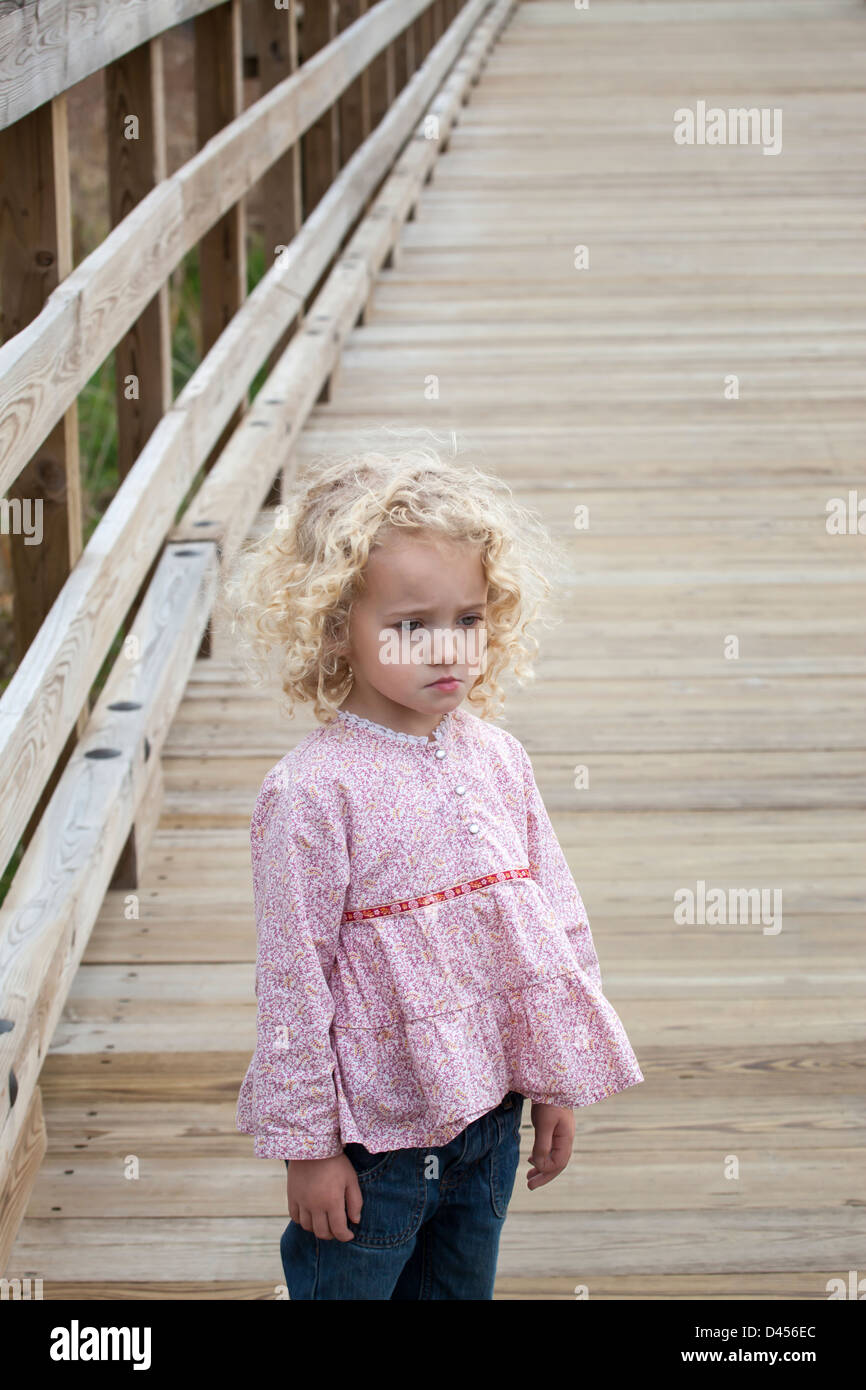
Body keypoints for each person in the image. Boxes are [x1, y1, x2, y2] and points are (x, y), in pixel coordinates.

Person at [220, 435, 644, 1299]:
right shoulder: (312, 793)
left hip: (490, 1122)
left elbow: (552, 916)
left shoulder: (498, 757)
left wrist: (556, 1076)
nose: (447, 650)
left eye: (469, 619)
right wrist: (310, 1149)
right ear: (338, 625)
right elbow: (296, 979)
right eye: (410, 626)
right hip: (373, 1148)